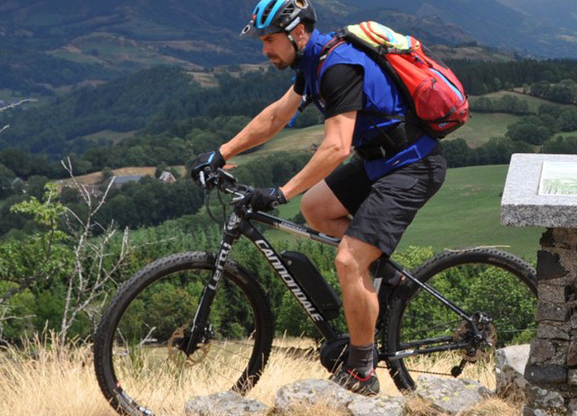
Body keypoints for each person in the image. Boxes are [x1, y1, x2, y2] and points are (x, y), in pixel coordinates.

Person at [188, 0, 447, 396]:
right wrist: (221, 153)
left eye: (271, 39)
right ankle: (389, 280)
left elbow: (337, 148)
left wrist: (281, 192)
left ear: (299, 32)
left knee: (349, 260)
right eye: (262, 40)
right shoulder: (313, 65)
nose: (265, 49)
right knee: (317, 208)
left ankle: (362, 369)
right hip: (381, 162)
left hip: (411, 166)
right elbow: (276, 116)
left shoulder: (338, 66)